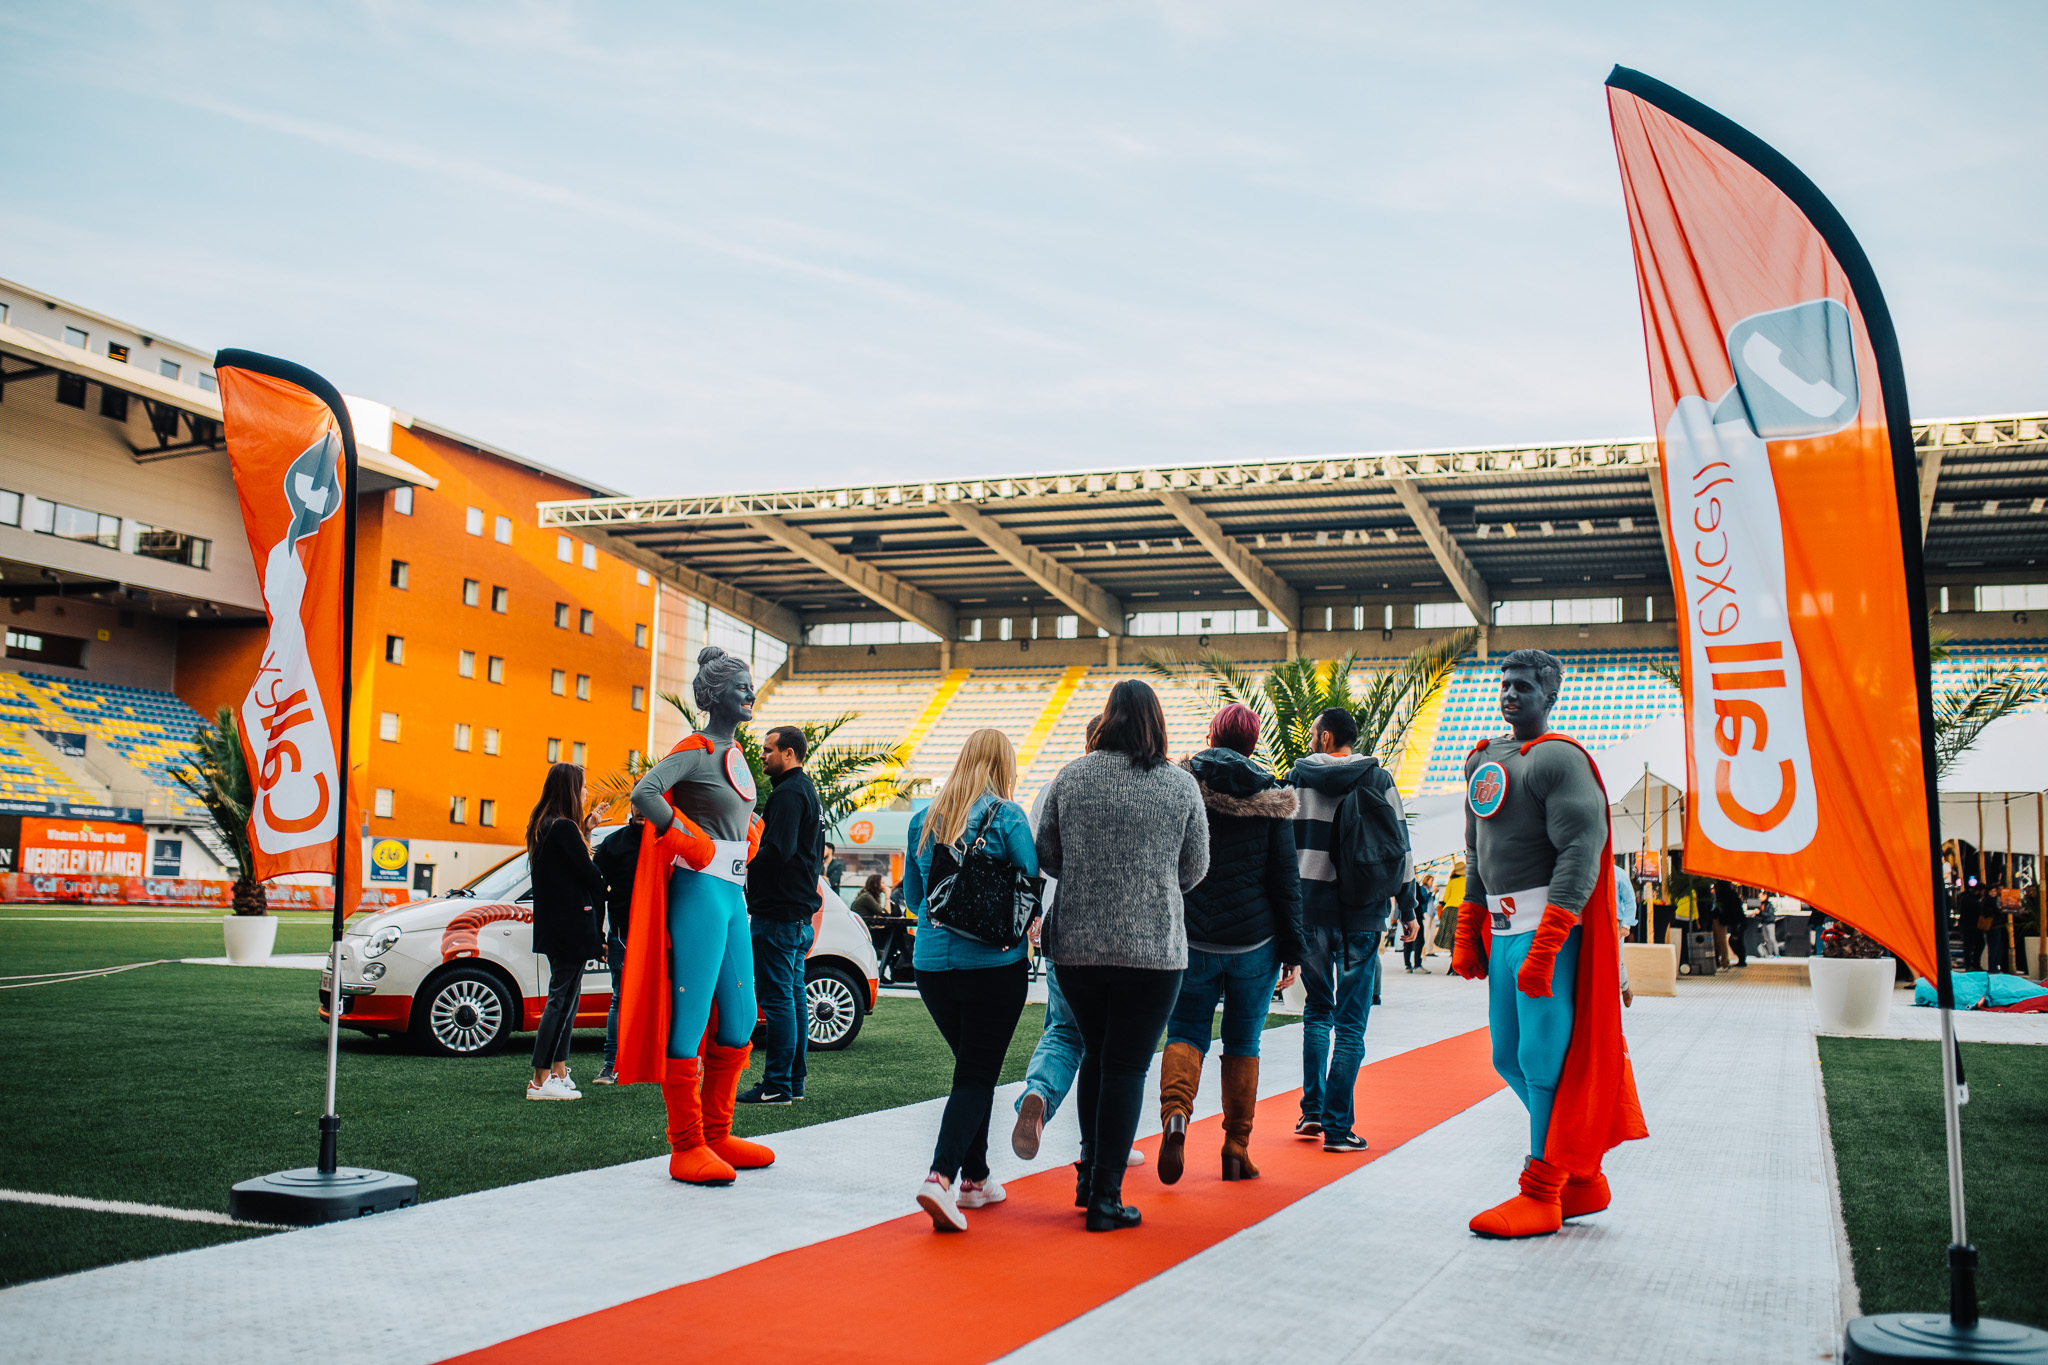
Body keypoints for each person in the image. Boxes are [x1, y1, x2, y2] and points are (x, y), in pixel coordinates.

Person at [1452, 648, 1646, 1238]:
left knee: (1542, 1060)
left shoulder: (1560, 759)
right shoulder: (1483, 759)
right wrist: (1468, 924)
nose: (1511, 694)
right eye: (1505, 685)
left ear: (1550, 695)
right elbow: (1476, 850)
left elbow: (1582, 853)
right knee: (1508, 1057)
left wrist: (1551, 940)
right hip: (1506, 932)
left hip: (1547, 935)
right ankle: (1580, 1175)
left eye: (1524, 687)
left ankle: (1542, 1191)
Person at [1036, 680, 1208, 1232]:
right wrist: (1152, 880)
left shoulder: (1071, 777)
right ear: (1157, 722)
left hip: (1079, 945)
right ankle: (1106, 1198)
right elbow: (1195, 868)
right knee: (1127, 1066)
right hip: (1152, 947)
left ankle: (1089, 1176)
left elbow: (1048, 856)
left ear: (1107, 717)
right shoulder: (1180, 785)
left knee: (1095, 1053)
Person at [620, 645, 775, 1186]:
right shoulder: (696, 748)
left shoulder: (734, 753)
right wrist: (688, 840)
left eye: (750, 685)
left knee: (741, 1016)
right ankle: (686, 1145)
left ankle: (717, 1133)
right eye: (741, 686)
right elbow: (645, 792)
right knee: (689, 1019)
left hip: (731, 892)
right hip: (701, 891)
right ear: (714, 695)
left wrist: (748, 835)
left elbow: (733, 817)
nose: (750, 693)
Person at [1159, 703, 1302, 1184]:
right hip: (1254, 943)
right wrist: (1293, 950)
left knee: (1185, 1030)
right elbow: (1285, 880)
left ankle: (1176, 1116)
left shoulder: (1181, 784)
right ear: (1254, 743)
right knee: (1243, 1040)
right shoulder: (1272, 796)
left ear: (1211, 736)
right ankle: (1236, 1147)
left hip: (1193, 938)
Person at [905, 729, 1041, 1232]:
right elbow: (1030, 887)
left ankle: (976, 1179)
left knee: (971, 1069)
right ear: (1003, 766)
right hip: (993, 966)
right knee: (976, 1077)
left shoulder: (923, 819)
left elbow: (914, 898)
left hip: (931, 967)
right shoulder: (1008, 817)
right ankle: (940, 1177)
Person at [1010, 718, 1148, 1174]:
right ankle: (1107, 1142)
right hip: (1124, 934)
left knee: (1065, 1030)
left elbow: (1034, 858)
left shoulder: (1056, 786)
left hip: (1063, 927)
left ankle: (1038, 1093)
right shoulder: (1138, 787)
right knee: (1113, 1044)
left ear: (1088, 742)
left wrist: (1036, 913)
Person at [1286, 706, 1416, 1155]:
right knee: (1351, 1024)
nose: (1310, 738)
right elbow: (1401, 849)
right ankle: (1339, 1129)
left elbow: (1282, 850)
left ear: (1325, 738)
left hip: (1310, 912)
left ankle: (1312, 1111)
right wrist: (1409, 908)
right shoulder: (1377, 779)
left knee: (1317, 1010)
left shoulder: (1297, 780)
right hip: (1362, 914)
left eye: (1314, 731)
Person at [740, 724, 824, 1106]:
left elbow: (778, 851)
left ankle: (777, 1084)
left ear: (789, 753)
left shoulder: (788, 793)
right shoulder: (806, 790)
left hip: (778, 914)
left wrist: (743, 860)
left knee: (778, 1003)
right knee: (791, 999)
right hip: (797, 914)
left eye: (769, 749)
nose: (762, 755)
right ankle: (793, 1082)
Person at [525, 763, 610, 1101]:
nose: (587, 792)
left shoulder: (545, 824)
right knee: (561, 1000)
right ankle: (539, 1080)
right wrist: (605, 881)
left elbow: (571, 867)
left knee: (567, 999)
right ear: (571, 790)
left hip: (556, 926)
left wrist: (586, 830)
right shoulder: (562, 827)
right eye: (583, 786)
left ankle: (558, 1070)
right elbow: (589, 873)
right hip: (570, 926)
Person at [591, 812, 645, 1085]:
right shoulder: (613, 844)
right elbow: (595, 891)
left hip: (663, 934)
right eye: (637, 802)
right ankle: (610, 1065)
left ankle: (657, 1065)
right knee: (620, 998)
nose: (642, 809)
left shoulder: (667, 841)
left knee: (667, 999)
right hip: (623, 934)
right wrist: (598, 935)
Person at [1405, 874, 1438, 972]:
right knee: (1419, 940)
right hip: (1416, 915)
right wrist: (1431, 893)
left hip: (1405, 915)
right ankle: (1417, 964)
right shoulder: (1416, 886)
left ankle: (1407, 964)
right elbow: (1422, 900)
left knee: (1408, 940)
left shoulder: (1403, 886)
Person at [1715, 880, 1749, 969]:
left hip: (1738, 923)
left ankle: (1742, 959)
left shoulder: (1724, 896)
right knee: (1738, 941)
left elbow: (1724, 909)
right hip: (1740, 921)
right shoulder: (1731, 894)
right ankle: (1742, 960)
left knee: (1734, 940)